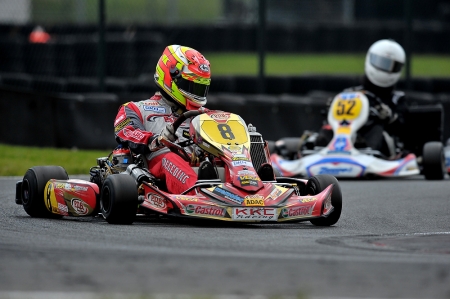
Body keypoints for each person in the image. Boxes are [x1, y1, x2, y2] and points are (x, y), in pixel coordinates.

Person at [113, 45, 215, 195]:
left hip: (198, 164)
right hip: (157, 164)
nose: (195, 93)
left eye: (200, 88)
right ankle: (201, 195)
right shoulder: (136, 108)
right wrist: (156, 140)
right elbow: (126, 131)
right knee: (170, 159)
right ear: (171, 77)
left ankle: (253, 189)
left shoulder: (204, 115)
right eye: (191, 86)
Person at [316, 39, 407, 158]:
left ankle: (369, 154)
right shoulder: (350, 93)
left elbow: (403, 128)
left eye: (391, 65)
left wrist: (389, 116)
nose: (385, 69)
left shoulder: (397, 98)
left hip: (377, 135)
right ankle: (319, 148)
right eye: (381, 62)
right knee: (327, 129)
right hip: (346, 131)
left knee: (377, 130)